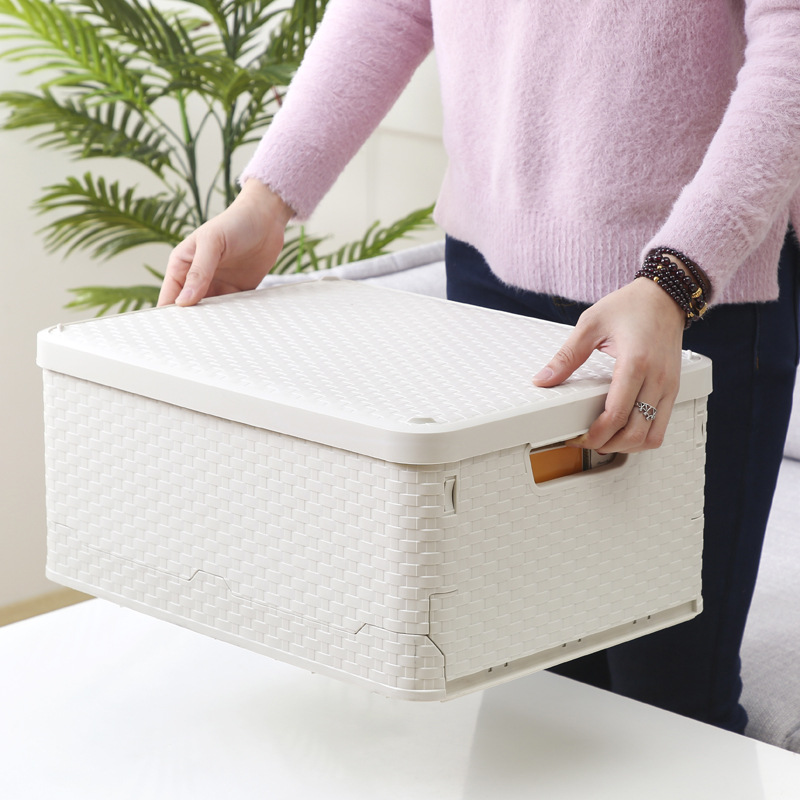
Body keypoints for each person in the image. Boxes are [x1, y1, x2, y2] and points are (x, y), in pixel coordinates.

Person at [158, 1, 800, 734]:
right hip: (491, 290)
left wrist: (676, 279)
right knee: (523, 672)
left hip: (690, 303)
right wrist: (266, 201)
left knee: (669, 700)